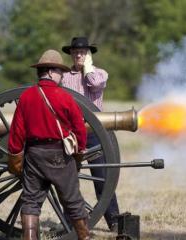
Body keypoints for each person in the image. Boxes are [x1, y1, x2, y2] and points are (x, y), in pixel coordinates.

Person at [8, 49, 90, 240]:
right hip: (59, 154)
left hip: (34, 154)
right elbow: (79, 129)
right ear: (52, 72)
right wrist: (78, 153)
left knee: (30, 202)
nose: (62, 76)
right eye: (60, 72)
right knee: (73, 201)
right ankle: (85, 238)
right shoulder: (65, 97)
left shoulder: (27, 97)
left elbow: (17, 131)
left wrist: (15, 157)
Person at [61, 37, 120, 232]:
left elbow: (94, 84)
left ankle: (114, 221)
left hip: (93, 132)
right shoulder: (63, 77)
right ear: (70, 54)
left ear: (89, 54)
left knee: (102, 177)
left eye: (83, 52)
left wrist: (88, 68)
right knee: (67, 180)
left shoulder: (100, 74)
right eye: (76, 52)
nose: (78, 55)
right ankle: (69, 223)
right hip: (70, 133)